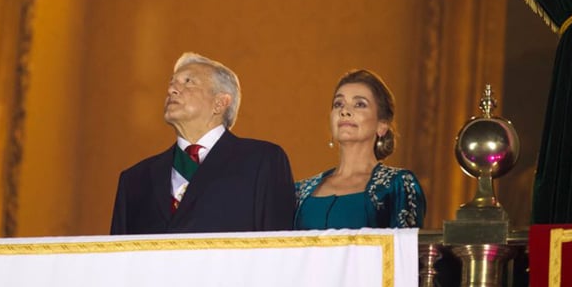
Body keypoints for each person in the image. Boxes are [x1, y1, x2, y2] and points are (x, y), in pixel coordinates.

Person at [111, 52, 295, 234]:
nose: (171, 90)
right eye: (172, 83)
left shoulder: (262, 161)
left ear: (220, 103)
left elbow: (278, 248)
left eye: (188, 82)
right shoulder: (135, 180)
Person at [294, 69, 426, 230]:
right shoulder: (300, 191)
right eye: (338, 104)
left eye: (359, 104)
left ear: (382, 125)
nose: (345, 111)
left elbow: (404, 251)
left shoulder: (397, 185)